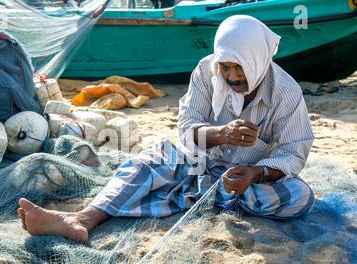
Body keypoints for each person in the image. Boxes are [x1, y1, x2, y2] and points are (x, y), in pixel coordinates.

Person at [17, 15, 315, 243]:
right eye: (226, 67)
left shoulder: (286, 92)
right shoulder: (205, 71)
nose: (233, 77)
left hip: (246, 182)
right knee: (156, 157)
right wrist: (222, 133)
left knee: (300, 195)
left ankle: (194, 194)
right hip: (200, 165)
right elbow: (186, 131)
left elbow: (294, 151)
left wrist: (256, 173)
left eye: (240, 68)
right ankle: (83, 219)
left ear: (258, 60)